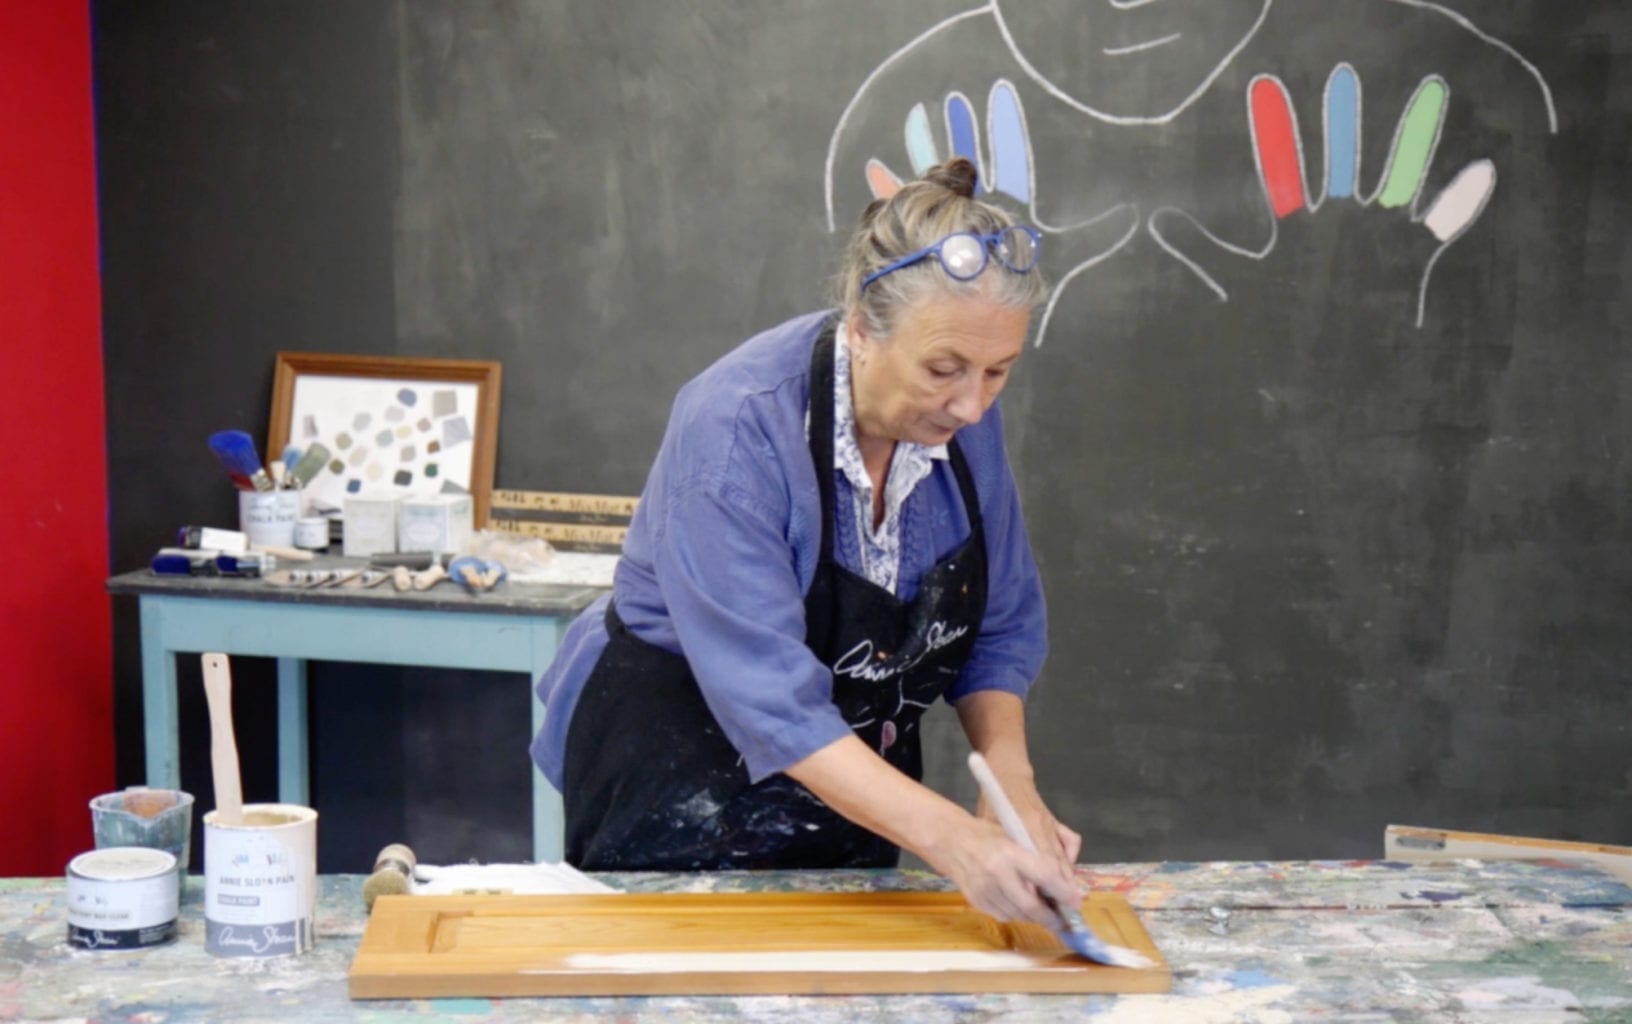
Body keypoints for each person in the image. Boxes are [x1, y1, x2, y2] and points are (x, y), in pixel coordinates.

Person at [531, 158, 1081, 928]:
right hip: (676, 781)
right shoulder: (735, 432)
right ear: (860, 328)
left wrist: (1008, 785)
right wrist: (955, 839)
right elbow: (773, 705)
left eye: (999, 372)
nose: (972, 405)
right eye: (944, 369)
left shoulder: (961, 428)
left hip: (857, 787)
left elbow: (999, 627)